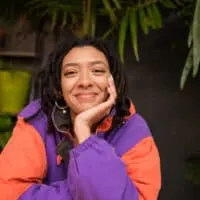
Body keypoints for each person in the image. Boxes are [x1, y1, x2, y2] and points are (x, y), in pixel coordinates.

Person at [0, 38, 161, 200]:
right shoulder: (37, 123)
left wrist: (84, 131)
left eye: (97, 71)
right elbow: (9, 192)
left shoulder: (133, 130)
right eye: (71, 72)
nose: (84, 82)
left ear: (114, 82)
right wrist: (85, 193)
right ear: (58, 88)